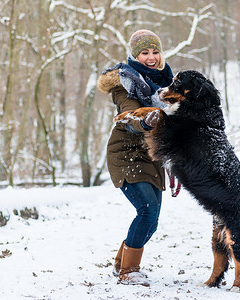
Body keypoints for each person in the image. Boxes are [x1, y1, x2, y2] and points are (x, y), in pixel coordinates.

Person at [97, 29, 173, 286]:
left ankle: (121, 263)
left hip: (153, 157)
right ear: (135, 55)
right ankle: (129, 272)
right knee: (147, 211)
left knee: (152, 222)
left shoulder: (167, 83)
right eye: (144, 52)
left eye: (155, 51)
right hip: (126, 153)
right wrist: (147, 122)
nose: (151, 57)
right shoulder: (124, 81)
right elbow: (130, 116)